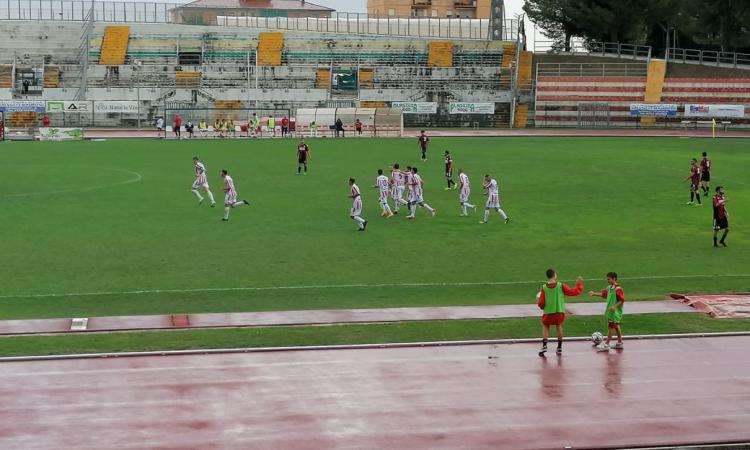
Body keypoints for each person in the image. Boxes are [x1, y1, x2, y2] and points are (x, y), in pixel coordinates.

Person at [537, 269, 584, 356]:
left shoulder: (544, 287)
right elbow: (573, 292)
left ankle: (544, 345)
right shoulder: (561, 285)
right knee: (559, 326)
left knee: (545, 326)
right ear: (554, 275)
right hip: (559, 312)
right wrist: (579, 284)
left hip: (548, 312)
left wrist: (540, 304)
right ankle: (559, 347)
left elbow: (541, 302)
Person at [588, 272, 625, 352]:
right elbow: (603, 294)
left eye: (609, 279)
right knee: (616, 326)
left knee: (610, 327)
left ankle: (607, 344)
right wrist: (594, 293)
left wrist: (614, 307)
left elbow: (621, 300)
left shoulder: (618, 289)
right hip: (611, 312)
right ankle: (620, 342)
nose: (607, 280)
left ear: (614, 278)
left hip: (614, 312)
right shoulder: (609, 288)